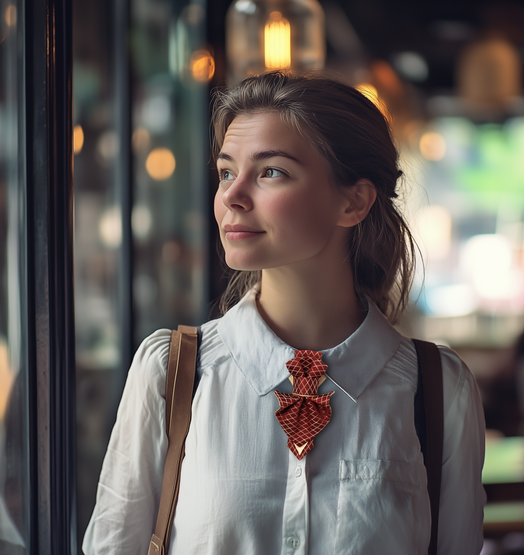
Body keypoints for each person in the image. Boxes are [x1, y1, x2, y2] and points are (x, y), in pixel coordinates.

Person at [83, 72, 485, 555]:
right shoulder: (172, 373)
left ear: (353, 201)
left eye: (271, 171)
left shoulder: (437, 390)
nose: (232, 196)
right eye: (227, 172)